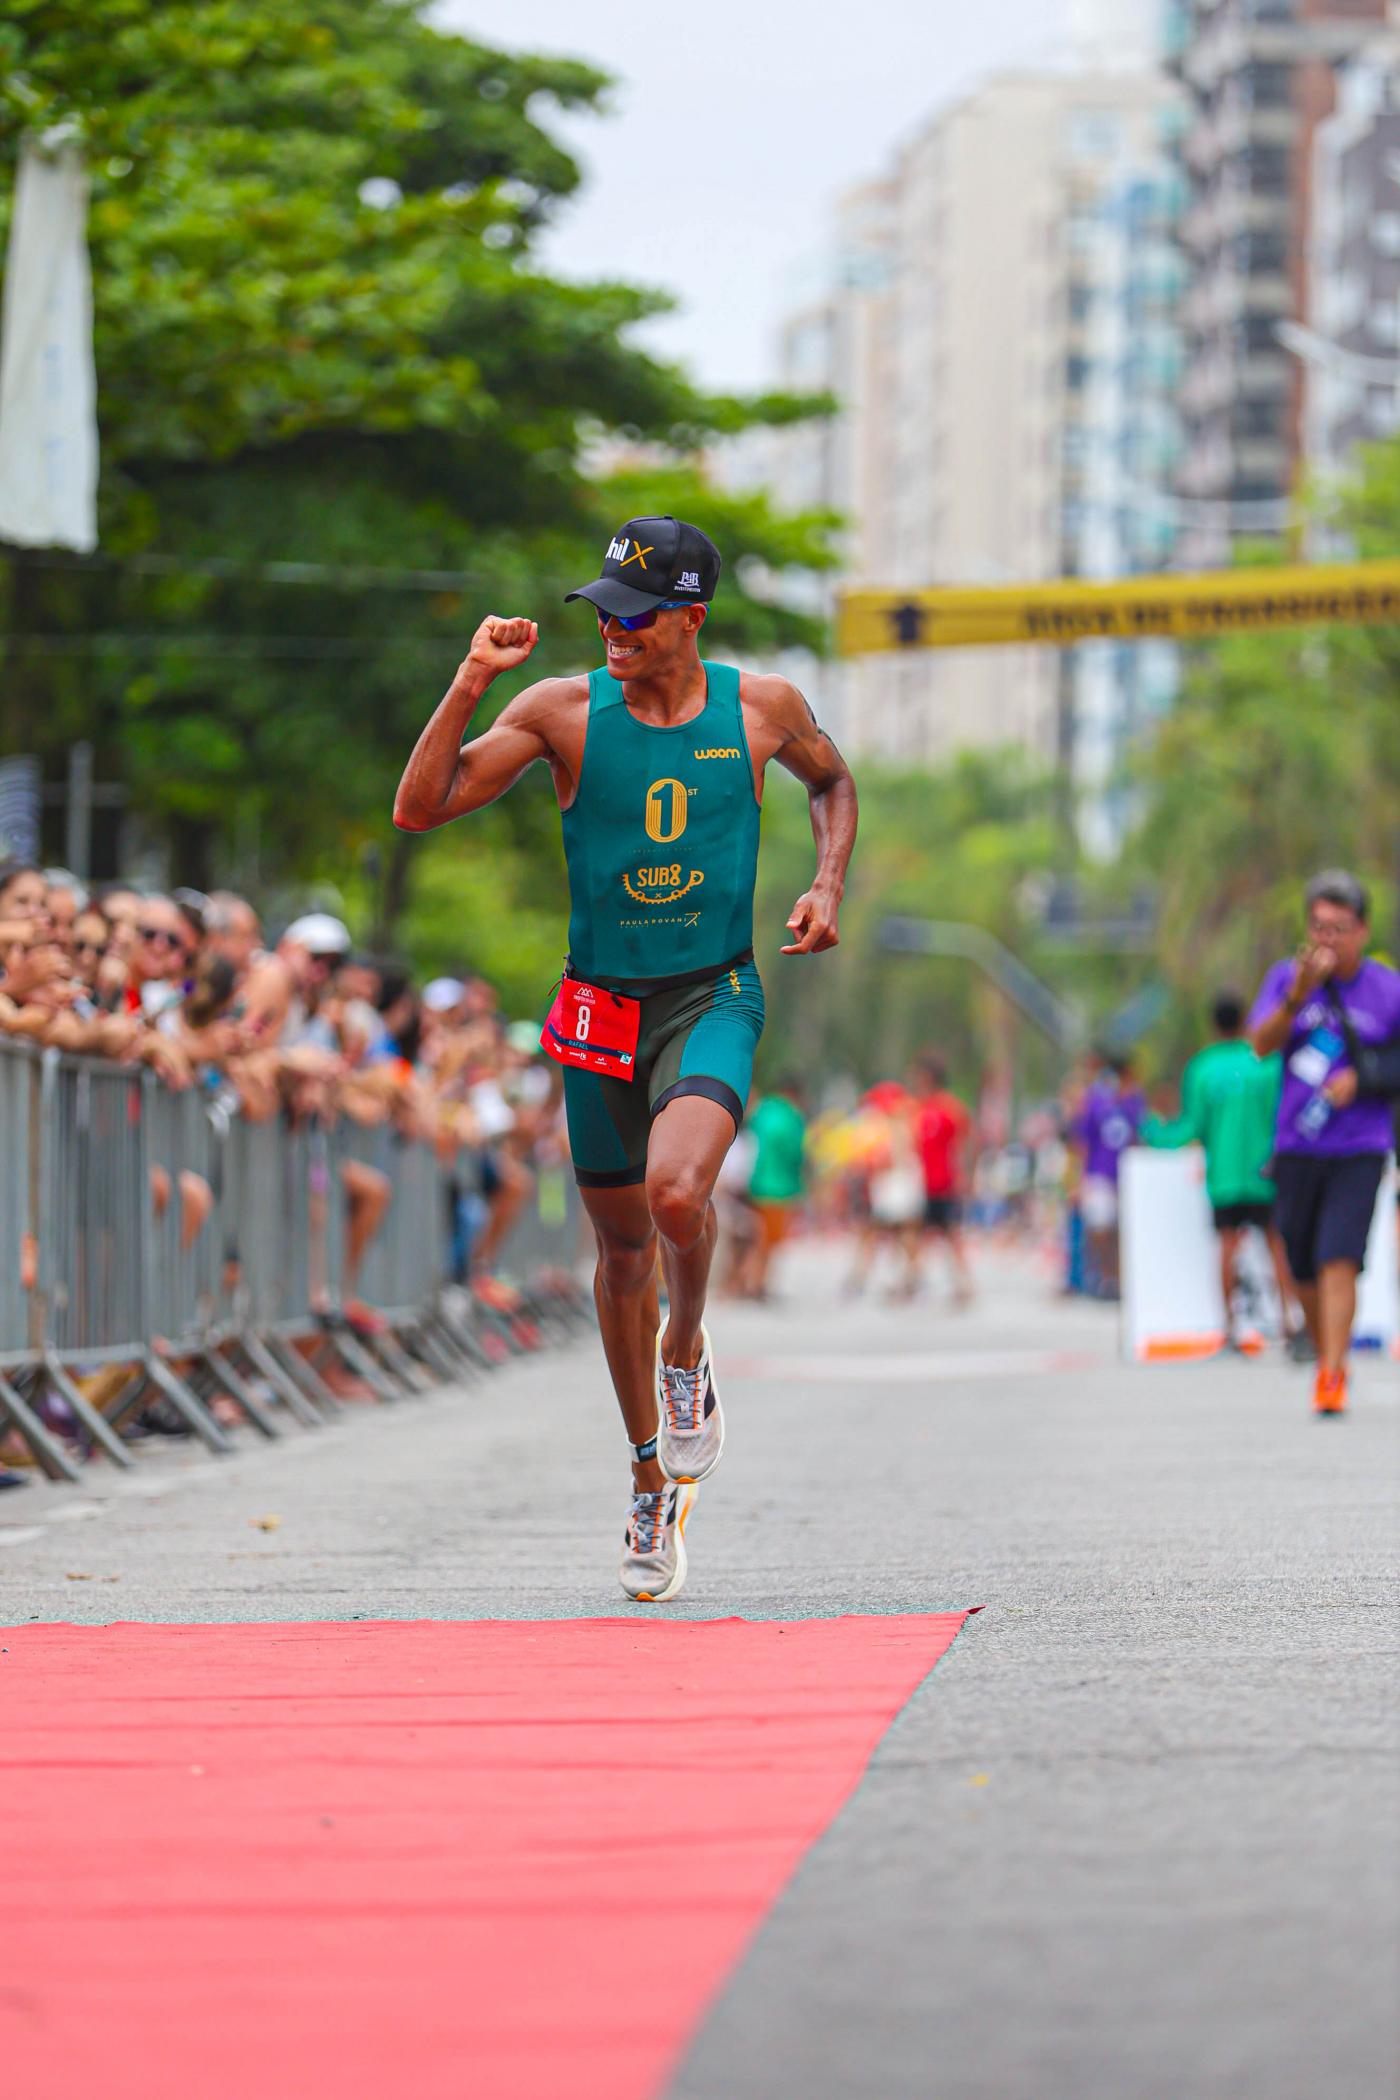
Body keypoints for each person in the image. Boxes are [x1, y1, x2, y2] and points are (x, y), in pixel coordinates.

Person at [394, 513, 857, 1601]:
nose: (612, 633)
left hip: (712, 991)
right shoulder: (558, 710)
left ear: (688, 620)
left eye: (634, 620)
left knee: (676, 1192)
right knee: (617, 1253)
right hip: (599, 1006)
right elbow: (420, 808)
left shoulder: (760, 708)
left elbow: (829, 782)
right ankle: (648, 1478)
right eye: (602, 614)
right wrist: (468, 679)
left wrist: (826, 879)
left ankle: (686, 1350)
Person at [1248, 870, 1400, 1414]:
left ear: (1362, 930)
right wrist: (1296, 997)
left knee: (1340, 1257)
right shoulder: (1286, 979)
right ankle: (1325, 1353)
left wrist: (1366, 1079)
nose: (1327, 939)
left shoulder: (1389, 988)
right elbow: (1260, 1046)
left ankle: (1332, 1373)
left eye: (1339, 928)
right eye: (1318, 927)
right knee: (1303, 1259)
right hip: (1296, 1145)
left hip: (1360, 1143)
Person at [1145, 992, 1299, 1353]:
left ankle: (1230, 1329)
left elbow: (1192, 1127)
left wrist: (1153, 1132)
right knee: (1277, 1245)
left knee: (1228, 1247)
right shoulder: (1266, 1061)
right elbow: (1283, 1117)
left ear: (1213, 1024)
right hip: (1266, 1173)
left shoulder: (1202, 1067)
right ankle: (1291, 1321)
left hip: (1225, 1176)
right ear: (1245, 1019)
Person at [1071, 1051, 1145, 1301]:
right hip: (1100, 1173)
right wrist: (1079, 1178)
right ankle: (1104, 1276)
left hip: (1128, 1174)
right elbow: (1083, 1141)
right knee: (1100, 1226)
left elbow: (1141, 1135)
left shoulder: (1135, 1101)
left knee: (1122, 1229)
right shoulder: (1095, 1101)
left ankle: (1120, 1278)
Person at [909, 1052, 975, 1306]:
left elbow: (969, 1139)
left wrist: (967, 1173)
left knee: (950, 1235)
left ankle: (964, 1284)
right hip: (923, 1182)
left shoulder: (949, 1107)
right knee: (915, 1233)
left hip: (945, 1182)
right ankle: (912, 1279)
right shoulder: (919, 1108)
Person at [740, 1075, 808, 1300]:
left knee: (756, 1238)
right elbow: (796, 1155)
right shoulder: (792, 1116)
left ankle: (745, 1283)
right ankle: (756, 1285)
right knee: (768, 1242)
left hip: (755, 1184)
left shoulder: (762, 1111)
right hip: (780, 1188)